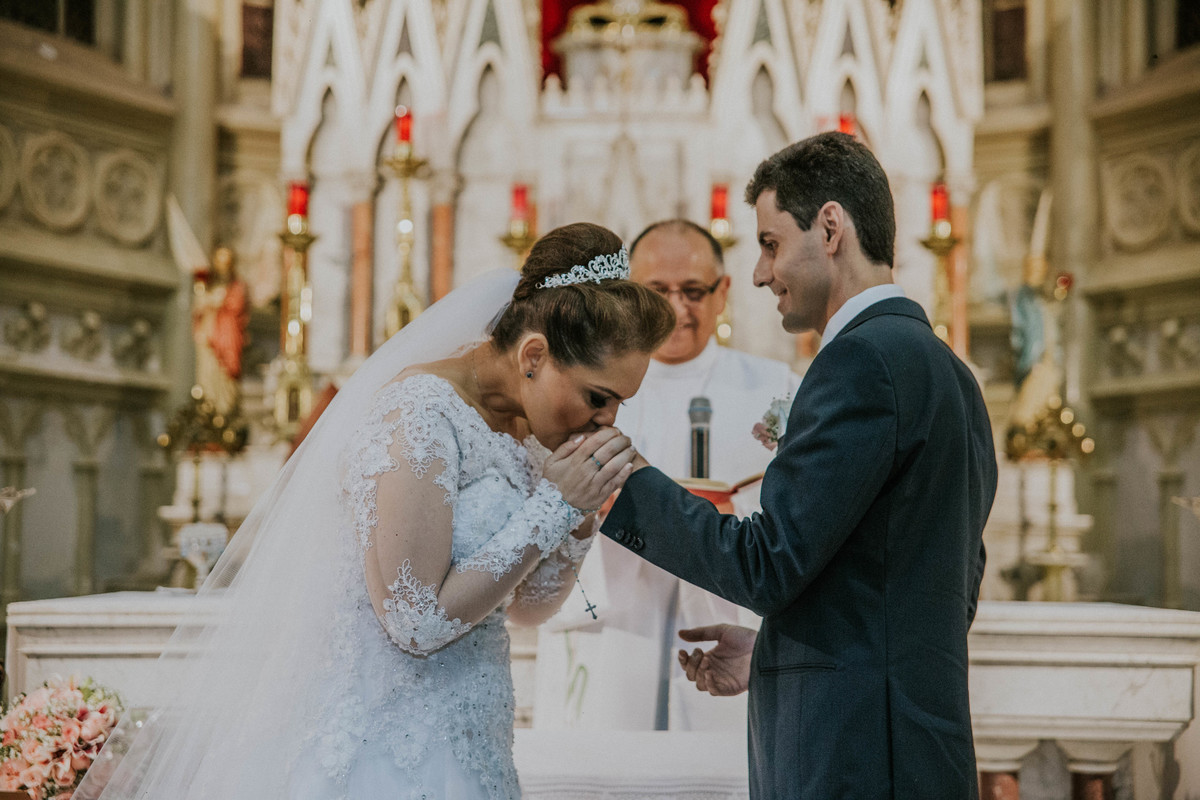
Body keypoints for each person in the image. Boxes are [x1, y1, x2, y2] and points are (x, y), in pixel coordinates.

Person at [75, 223, 675, 800]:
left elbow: (529, 608)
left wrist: (579, 515)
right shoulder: (418, 414)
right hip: (384, 746)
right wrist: (552, 504)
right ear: (534, 355)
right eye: (598, 398)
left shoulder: (526, 430)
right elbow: (414, 623)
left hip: (474, 743)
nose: (607, 420)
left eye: (618, 404)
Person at [601, 133, 997, 798]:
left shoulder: (858, 363)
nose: (760, 273)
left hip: (855, 759)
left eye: (771, 243)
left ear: (831, 227)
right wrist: (779, 655)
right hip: (910, 749)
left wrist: (620, 478)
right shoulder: (950, 372)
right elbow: (943, 587)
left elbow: (766, 563)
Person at [535, 220, 799, 732]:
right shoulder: (585, 386)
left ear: (723, 292)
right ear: (629, 294)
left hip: (725, 621)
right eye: (658, 291)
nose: (678, 308)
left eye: (694, 292)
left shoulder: (776, 390)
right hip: (613, 618)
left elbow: (805, 511)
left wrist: (726, 517)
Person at [191, 245, 249, 414]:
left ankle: (224, 411)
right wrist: (203, 303)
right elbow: (198, 310)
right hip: (209, 335)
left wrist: (218, 302)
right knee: (207, 372)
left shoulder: (237, 286)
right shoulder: (209, 285)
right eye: (219, 261)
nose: (222, 266)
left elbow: (237, 306)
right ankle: (208, 407)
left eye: (226, 262)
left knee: (225, 377)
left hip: (226, 337)